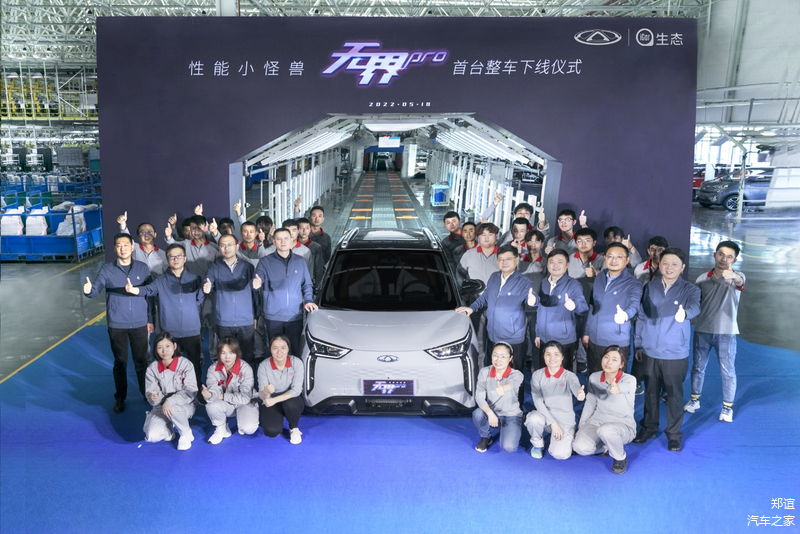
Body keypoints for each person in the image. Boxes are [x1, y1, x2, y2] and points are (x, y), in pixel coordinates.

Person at [633, 247, 701, 452]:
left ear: (682, 267)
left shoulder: (690, 290)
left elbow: (695, 307)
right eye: (665, 263)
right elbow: (642, 316)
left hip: (675, 353)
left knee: (674, 395)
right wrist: (638, 343)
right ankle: (649, 427)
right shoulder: (650, 286)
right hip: (649, 351)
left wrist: (685, 314)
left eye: (674, 264)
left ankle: (673, 434)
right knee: (650, 393)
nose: (669, 267)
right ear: (659, 265)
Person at [84, 233, 153, 413]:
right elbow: (95, 290)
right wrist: (88, 291)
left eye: (126, 245)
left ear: (132, 247)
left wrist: (150, 320)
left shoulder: (142, 268)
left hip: (139, 323)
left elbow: (149, 295)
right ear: (115, 248)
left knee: (142, 361)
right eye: (119, 245)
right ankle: (120, 398)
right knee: (120, 363)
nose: (122, 248)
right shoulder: (107, 269)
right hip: (117, 325)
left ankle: (146, 393)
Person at [125, 243, 205, 389]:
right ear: (167, 260)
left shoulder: (195, 279)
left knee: (195, 365)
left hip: (191, 331)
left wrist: (204, 290)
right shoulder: (161, 280)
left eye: (179, 256)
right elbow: (148, 290)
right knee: (171, 366)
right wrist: (134, 290)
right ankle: (173, 392)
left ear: (185, 258)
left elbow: (198, 300)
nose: (176, 259)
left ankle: (196, 391)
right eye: (171, 257)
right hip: (169, 333)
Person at [685, 240, 745, 423]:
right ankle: (694, 400)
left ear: (734, 260)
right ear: (714, 255)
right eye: (721, 254)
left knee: (727, 371)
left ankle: (727, 408)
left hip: (726, 333)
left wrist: (733, 276)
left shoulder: (737, 277)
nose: (724, 259)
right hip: (702, 330)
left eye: (729, 256)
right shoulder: (702, 279)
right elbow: (696, 302)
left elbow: (740, 282)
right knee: (697, 367)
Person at [456, 244, 536, 372]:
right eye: (500, 259)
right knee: (494, 369)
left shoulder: (523, 282)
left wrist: (533, 300)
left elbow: (532, 297)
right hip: (493, 335)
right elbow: (485, 296)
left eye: (508, 259)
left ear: (516, 260)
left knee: (514, 373)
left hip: (513, 337)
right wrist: (471, 308)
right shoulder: (494, 277)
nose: (504, 262)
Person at [253, 228, 318, 356]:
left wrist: (308, 300)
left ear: (292, 240)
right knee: (276, 351)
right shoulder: (265, 262)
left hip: (295, 315)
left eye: (286, 238)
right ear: (274, 242)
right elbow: (258, 278)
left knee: (294, 350)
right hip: (273, 316)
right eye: (279, 239)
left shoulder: (300, 261)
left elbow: (307, 284)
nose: (283, 242)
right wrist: (257, 283)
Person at [572, 346, 636, 474]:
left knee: (606, 430)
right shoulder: (594, 377)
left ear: (621, 364)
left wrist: (618, 388)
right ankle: (607, 446)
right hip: (597, 421)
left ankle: (620, 458)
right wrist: (582, 423)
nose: (609, 362)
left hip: (622, 425)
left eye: (614, 360)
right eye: (606, 357)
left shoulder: (629, 380)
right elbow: (591, 402)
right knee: (579, 447)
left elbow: (626, 387)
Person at [582, 243, 642, 377]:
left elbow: (634, 305)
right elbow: (592, 306)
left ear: (627, 260)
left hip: (616, 341)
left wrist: (625, 315)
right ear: (605, 258)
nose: (613, 260)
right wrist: (586, 332)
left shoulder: (633, 283)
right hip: (594, 340)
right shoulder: (600, 277)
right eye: (610, 256)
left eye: (619, 257)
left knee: (614, 381)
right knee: (594, 377)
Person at [204, 233, 258, 367]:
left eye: (230, 244)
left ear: (237, 246)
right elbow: (208, 281)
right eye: (222, 245)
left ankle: (248, 380)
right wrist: (206, 286)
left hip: (246, 320)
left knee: (248, 356)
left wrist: (256, 316)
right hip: (224, 321)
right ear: (219, 248)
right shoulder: (214, 267)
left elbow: (255, 294)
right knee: (226, 357)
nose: (226, 248)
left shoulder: (248, 267)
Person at [525, 341, 585, 460]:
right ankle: (537, 444)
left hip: (564, 419)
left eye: (556, 354)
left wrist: (579, 394)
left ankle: (569, 434)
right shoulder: (537, 375)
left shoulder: (569, 376)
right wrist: (553, 423)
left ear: (562, 357)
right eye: (548, 354)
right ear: (544, 356)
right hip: (545, 416)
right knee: (533, 419)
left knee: (560, 454)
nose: (552, 358)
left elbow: (576, 387)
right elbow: (538, 401)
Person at [535, 249, 589, 372]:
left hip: (564, 340)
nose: (555, 265)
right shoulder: (544, 282)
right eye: (551, 262)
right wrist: (538, 333)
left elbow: (584, 307)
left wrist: (574, 305)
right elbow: (540, 309)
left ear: (567, 265)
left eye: (560, 262)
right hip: (544, 338)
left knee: (565, 374)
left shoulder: (573, 284)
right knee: (545, 372)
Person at [143, 332, 198, 451]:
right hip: (160, 407)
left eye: (168, 346)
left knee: (172, 407)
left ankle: (185, 432)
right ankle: (170, 428)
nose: (164, 351)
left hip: (184, 405)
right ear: (155, 349)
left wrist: (170, 401)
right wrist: (154, 398)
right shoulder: (152, 368)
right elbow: (150, 393)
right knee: (152, 435)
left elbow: (191, 391)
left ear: (174, 346)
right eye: (160, 347)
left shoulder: (186, 364)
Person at [202, 337, 259, 444]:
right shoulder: (213, 369)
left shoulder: (246, 368)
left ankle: (243, 419)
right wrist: (210, 394)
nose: (227, 357)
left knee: (248, 429)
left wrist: (223, 396)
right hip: (227, 404)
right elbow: (214, 390)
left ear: (237, 353)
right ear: (218, 354)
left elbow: (245, 397)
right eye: (223, 353)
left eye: (231, 352)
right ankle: (221, 428)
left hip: (244, 403)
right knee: (211, 405)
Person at [457, 222, 501, 354]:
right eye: (482, 235)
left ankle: (495, 366)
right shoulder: (469, 255)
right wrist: (464, 290)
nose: (486, 238)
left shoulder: (503, 256)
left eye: (490, 234)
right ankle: (479, 367)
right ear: (478, 237)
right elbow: (459, 273)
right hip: (475, 303)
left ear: (496, 236)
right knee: (478, 340)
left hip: (499, 304)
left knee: (498, 341)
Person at [472, 342, 523, 453]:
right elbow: (479, 396)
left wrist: (504, 388)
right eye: (495, 355)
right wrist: (490, 413)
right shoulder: (484, 372)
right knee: (478, 413)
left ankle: (515, 426)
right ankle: (485, 437)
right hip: (492, 414)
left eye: (503, 356)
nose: (498, 360)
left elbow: (513, 383)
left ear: (510, 358)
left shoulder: (517, 374)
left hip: (510, 415)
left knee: (509, 447)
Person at [257, 335, 306, 444]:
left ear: (288, 349)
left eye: (283, 348)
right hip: (272, 397)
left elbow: (296, 390)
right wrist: (266, 392)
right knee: (271, 431)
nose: (279, 352)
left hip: (291, 398)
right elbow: (262, 395)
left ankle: (294, 428)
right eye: (275, 348)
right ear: (270, 349)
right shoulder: (263, 366)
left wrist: (274, 400)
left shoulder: (296, 362)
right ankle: (280, 413)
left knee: (291, 405)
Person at [117, 211, 167, 275]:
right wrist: (123, 224)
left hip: (157, 281)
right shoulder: (134, 248)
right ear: (138, 236)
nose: (146, 235)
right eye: (143, 232)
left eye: (150, 232)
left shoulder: (163, 254)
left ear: (155, 234)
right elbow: (127, 238)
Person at [297, 217, 325, 289]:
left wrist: (317, 287)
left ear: (310, 230)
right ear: (296, 230)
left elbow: (318, 268)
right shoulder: (292, 246)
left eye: (307, 228)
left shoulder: (316, 247)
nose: (304, 230)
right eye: (301, 228)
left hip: (309, 282)